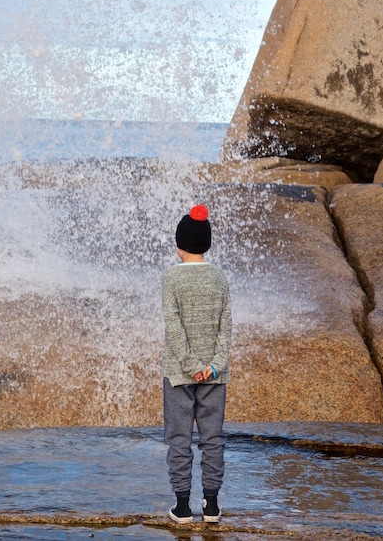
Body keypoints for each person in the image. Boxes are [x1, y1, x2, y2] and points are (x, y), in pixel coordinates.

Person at [161, 203, 231, 524]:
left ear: (180, 244)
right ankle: (213, 505)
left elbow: (174, 328)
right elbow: (225, 327)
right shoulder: (220, 278)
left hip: (179, 374)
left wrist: (190, 365)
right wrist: (213, 366)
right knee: (212, 438)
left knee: (179, 437)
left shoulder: (170, 279)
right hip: (214, 375)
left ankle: (183, 506)